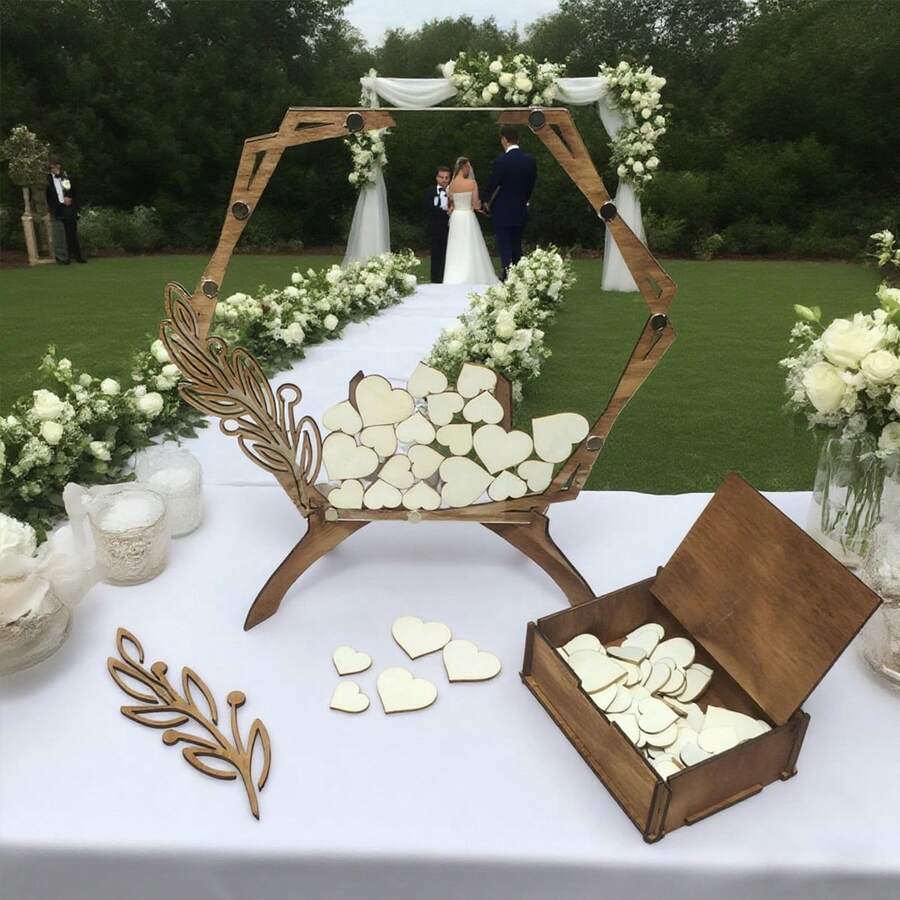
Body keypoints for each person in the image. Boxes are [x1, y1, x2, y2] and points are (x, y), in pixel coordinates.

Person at [483, 126, 537, 280]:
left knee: (504, 243)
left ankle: (508, 274)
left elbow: (492, 183)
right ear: (517, 140)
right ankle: (519, 275)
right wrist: (524, 200)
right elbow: (530, 185)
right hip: (520, 207)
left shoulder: (501, 161)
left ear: (504, 140)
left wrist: (485, 200)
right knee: (517, 243)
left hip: (503, 209)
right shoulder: (529, 161)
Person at [441, 156, 498, 286]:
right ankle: (473, 273)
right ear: (464, 167)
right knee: (470, 244)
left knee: (456, 246)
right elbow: (476, 205)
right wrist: (479, 206)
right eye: (469, 167)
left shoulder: (452, 185)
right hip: (467, 216)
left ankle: (453, 275)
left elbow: (451, 203)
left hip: (456, 217)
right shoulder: (471, 183)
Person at [46, 158, 86, 264]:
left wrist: (69, 197)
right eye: (52, 167)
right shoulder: (47, 180)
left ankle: (77, 255)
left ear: (59, 166)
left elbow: (72, 190)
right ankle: (63, 258)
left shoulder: (65, 177)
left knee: (72, 232)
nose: (54, 168)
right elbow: (47, 195)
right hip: (56, 208)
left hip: (68, 208)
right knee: (59, 234)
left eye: (55, 166)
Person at [424, 165, 451, 283]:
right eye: (442, 177)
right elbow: (427, 208)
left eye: (446, 177)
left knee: (447, 253)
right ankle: (435, 279)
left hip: (449, 226)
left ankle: (446, 277)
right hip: (435, 227)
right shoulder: (430, 191)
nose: (444, 180)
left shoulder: (453, 191)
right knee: (435, 254)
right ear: (437, 178)